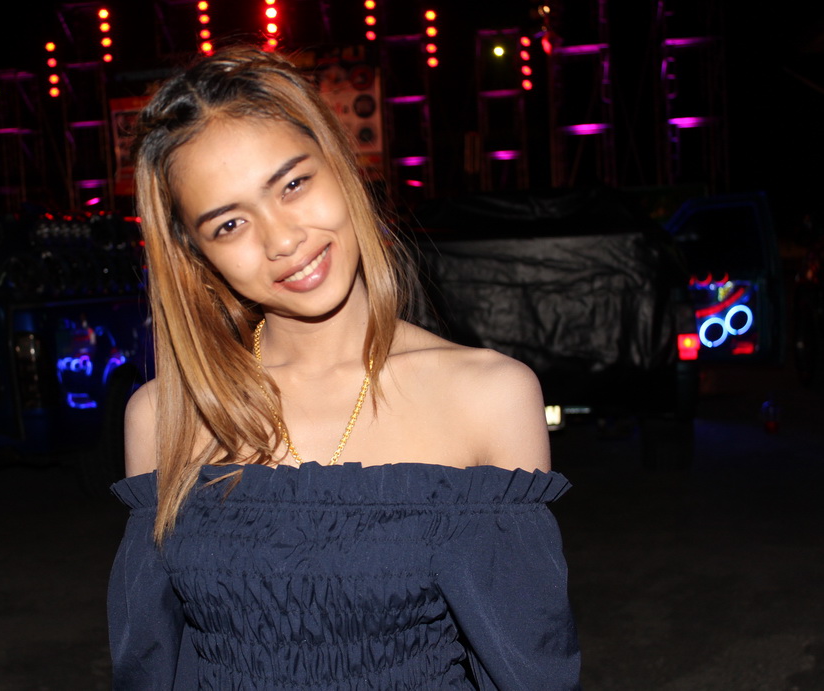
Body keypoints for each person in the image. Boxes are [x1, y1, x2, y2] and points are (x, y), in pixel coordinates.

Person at [108, 45, 581, 690]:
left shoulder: (488, 396)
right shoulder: (164, 416)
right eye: (230, 224)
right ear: (196, 255)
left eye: (293, 185)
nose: (282, 240)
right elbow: (151, 667)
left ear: (341, 164)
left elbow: (528, 670)